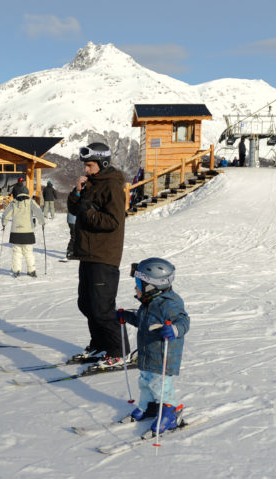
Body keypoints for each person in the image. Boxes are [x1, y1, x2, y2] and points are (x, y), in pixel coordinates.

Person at [67, 142, 129, 366]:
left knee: (102, 308)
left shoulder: (111, 186)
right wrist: (77, 192)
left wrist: (89, 212)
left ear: (102, 163)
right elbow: (75, 209)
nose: (86, 170)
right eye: (85, 165)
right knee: (86, 304)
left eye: (90, 165)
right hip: (88, 254)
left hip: (105, 255)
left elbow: (113, 221)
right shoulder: (92, 183)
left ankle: (119, 351)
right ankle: (100, 346)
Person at [120, 257, 190, 434]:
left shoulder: (170, 304)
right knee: (145, 383)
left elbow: (184, 321)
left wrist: (174, 329)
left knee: (161, 388)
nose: (135, 287)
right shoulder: (148, 303)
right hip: (147, 355)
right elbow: (143, 322)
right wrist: (127, 317)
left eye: (138, 283)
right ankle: (149, 407)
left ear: (152, 287)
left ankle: (170, 414)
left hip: (163, 357)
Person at [1, 185, 44, 277]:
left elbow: (6, 214)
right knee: (28, 252)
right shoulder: (31, 202)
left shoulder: (13, 203)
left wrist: (4, 224)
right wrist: (42, 222)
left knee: (17, 252)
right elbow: (39, 212)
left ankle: (16, 270)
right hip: (28, 232)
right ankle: (31, 270)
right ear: (27, 193)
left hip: (15, 232)